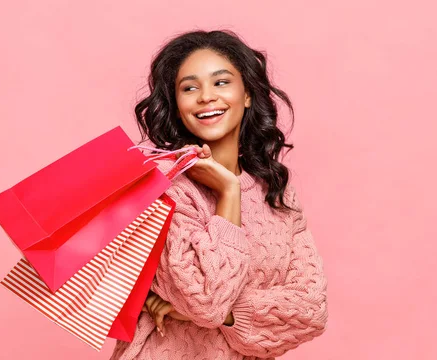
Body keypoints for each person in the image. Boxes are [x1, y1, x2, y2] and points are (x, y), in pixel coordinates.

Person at [110, 30, 328, 360]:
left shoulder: (278, 195)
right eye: (189, 87)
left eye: (221, 82)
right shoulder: (165, 192)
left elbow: (311, 311)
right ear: (177, 104)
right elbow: (207, 301)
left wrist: (222, 313)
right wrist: (228, 192)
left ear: (247, 95)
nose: (206, 97)